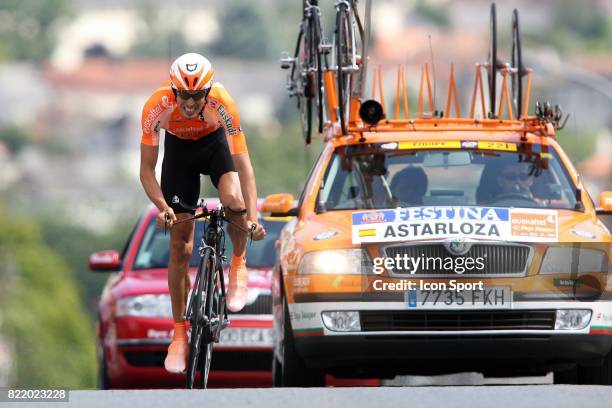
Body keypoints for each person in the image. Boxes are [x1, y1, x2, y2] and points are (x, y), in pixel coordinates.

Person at [139, 52, 265, 374]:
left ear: (208, 93)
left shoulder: (223, 103)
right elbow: (146, 171)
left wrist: (252, 218)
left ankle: (238, 263)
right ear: (174, 90)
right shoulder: (156, 107)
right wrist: (163, 208)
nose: (191, 103)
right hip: (179, 155)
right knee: (180, 244)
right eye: (184, 94)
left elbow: (245, 168)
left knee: (233, 199)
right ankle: (179, 333)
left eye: (197, 96)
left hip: (214, 146)